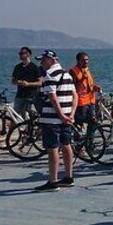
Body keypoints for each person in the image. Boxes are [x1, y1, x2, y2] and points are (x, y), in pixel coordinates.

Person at [33, 50, 77, 192]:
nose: (42, 63)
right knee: (66, 144)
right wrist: (71, 114)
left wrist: (61, 115)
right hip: (66, 117)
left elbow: (52, 98)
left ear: (52, 60)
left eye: (44, 60)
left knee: (52, 148)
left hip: (52, 119)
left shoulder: (50, 75)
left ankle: (53, 181)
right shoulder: (67, 75)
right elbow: (75, 96)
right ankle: (69, 176)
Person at [69, 52, 101, 145]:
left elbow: (88, 86)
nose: (86, 62)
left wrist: (95, 87)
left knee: (93, 122)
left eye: (87, 60)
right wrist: (82, 79)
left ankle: (89, 143)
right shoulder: (73, 71)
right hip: (80, 103)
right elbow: (72, 87)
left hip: (90, 101)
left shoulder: (87, 70)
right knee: (79, 123)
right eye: (83, 60)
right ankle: (78, 145)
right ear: (78, 61)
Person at [11, 46, 42, 118]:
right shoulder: (18, 67)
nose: (20, 55)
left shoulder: (34, 67)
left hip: (31, 95)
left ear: (28, 54)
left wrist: (28, 84)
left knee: (30, 115)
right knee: (15, 114)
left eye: (22, 53)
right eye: (20, 53)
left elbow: (40, 82)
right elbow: (13, 81)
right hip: (20, 95)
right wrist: (18, 82)